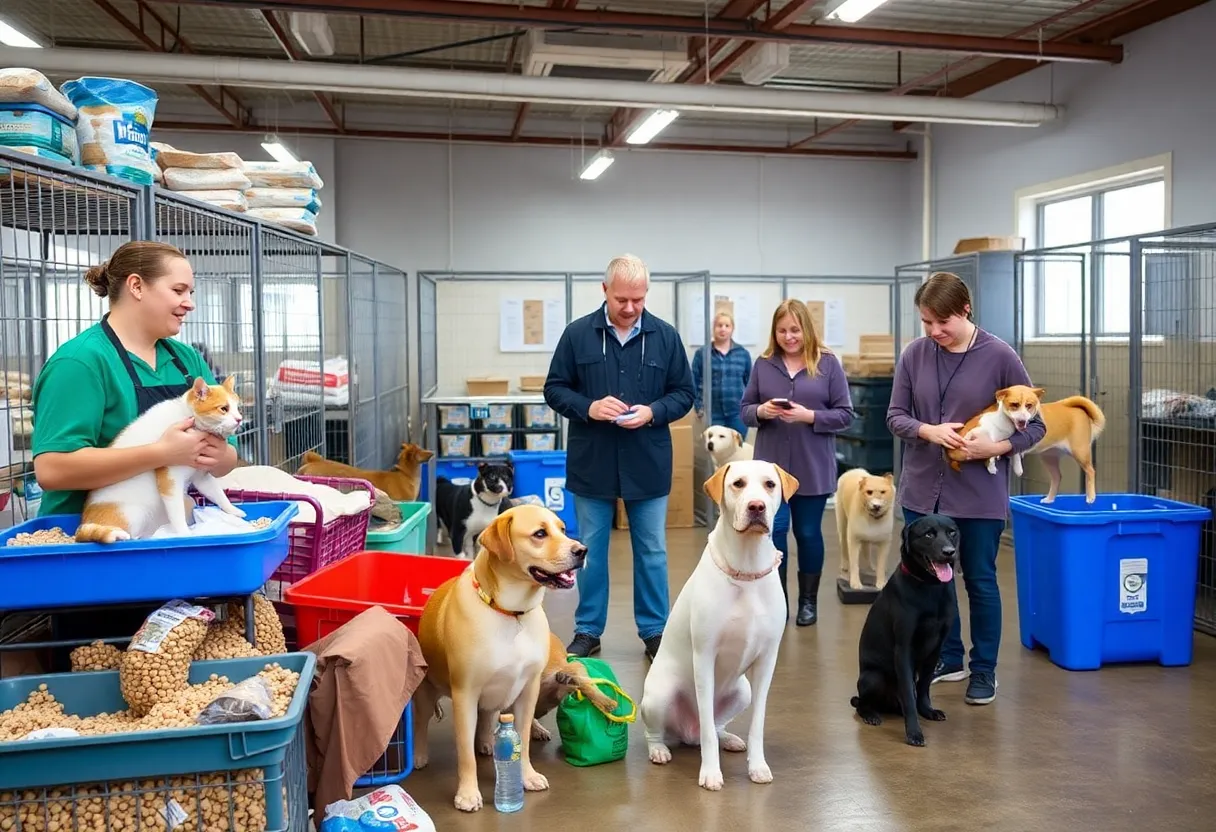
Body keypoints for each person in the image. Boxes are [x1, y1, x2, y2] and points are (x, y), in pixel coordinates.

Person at [31, 241, 242, 667]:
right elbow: (52, 470)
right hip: (97, 555)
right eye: (179, 291)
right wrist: (161, 452)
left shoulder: (184, 360)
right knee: (104, 676)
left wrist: (216, 458)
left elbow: (226, 457)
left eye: (191, 293)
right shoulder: (83, 363)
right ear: (136, 287)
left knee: (168, 676)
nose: (190, 304)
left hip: (166, 547)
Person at [886, 271, 1045, 707]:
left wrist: (996, 446)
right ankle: (947, 658)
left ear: (965, 310)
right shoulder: (915, 355)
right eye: (926, 323)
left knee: (979, 580)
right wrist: (928, 431)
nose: (935, 332)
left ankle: (984, 671)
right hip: (923, 493)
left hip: (977, 498)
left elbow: (1037, 426)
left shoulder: (1000, 356)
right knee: (933, 583)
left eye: (943, 322)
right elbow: (895, 416)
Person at [544, 254, 694, 661]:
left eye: (638, 300)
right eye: (622, 299)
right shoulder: (578, 336)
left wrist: (653, 412)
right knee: (587, 549)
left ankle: (655, 631)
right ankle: (588, 630)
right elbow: (554, 389)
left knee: (652, 550)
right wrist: (589, 407)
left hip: (647, 460)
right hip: (593, 460)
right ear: (604, 290)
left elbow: (684, 393)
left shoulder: (665, 336)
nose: (630, 308)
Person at [740, 299, 853, 627]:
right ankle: (777, 601)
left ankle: (808, 602)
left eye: (795, 330)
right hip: (770, 471)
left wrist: (810, 416)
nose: (789, 337)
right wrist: (762, 411)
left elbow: (845, 415)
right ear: (774, 332)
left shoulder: (828, 364)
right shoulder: (764, 364)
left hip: (812, 466)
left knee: (807, 533)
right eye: (782, 330)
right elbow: (745, 408)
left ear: (807, 329)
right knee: (773, 532)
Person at [691, 310, 752, 439]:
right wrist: (698, 406)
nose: (723, 329)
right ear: (713, 328)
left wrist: (749, 408)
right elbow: (693, 382)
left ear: (732, 329)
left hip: (737, 413)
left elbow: (750, 383)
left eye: (727, 326)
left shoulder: (743, 354)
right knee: (716, 453)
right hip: (713, 413)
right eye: (719, 325)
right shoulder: (703, 354)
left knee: (738, 451)